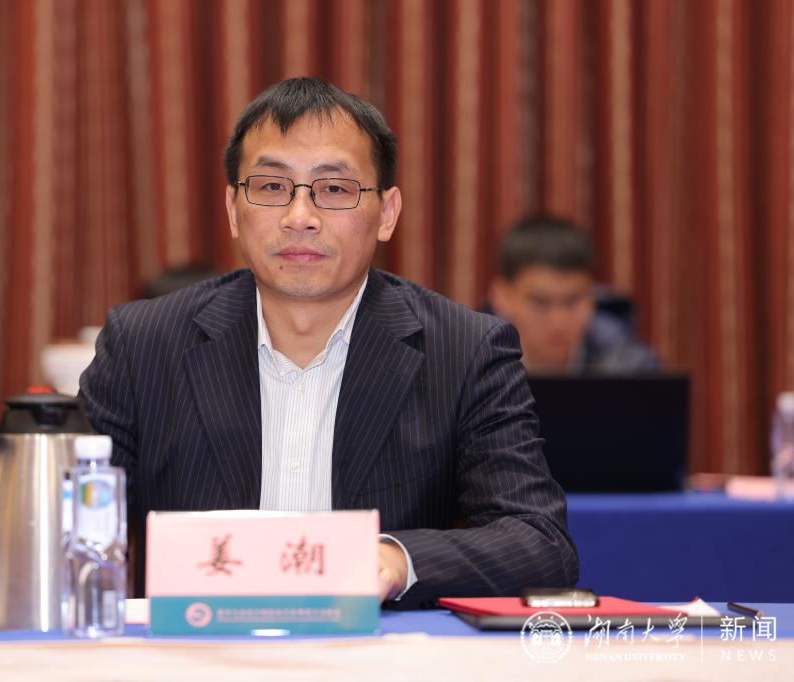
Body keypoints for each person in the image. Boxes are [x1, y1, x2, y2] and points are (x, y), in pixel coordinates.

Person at [80, 77, 578, 608]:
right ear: (232, 209)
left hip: (378, 647)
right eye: (271, 187)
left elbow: (538, 543)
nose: (300, 217)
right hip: (196, 644)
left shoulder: (464, 351)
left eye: (335, 189)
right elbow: (68, 524)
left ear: (387, 214)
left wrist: (395, 559)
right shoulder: (143, 345)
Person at [488, 215, 659, 374]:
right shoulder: (476, 363)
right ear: (502, 297)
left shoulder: (631, 366)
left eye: (573, 301)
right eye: (540, 302)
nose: (559, 321)